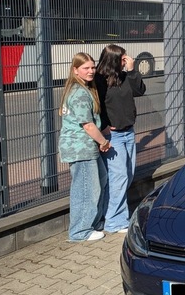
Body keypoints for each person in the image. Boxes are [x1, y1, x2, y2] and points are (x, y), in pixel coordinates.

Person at [59, 52, 111, 242]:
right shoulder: (80, 93)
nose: (91, 71)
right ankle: (80, 231)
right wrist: (103, 142)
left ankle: (94, 222)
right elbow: (88, 125)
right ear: (75, 70)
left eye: (93, 67)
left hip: (85, 147)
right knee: (86, 189)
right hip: (80, 148)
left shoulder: (80, 88)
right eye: (86, 68)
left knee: (100, 180)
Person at [94, 44, 146, 234]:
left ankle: (110, 215)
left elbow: (139, 91)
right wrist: (104, 126)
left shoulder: (124, 77)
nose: (126, 60)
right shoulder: (99, 80)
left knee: (127, 175)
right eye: (123, 58)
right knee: (119, 177)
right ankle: (115, 221)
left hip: (128, 131)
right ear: (114, 60)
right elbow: (97, 105)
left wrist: (132, 71)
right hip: (113, 135)